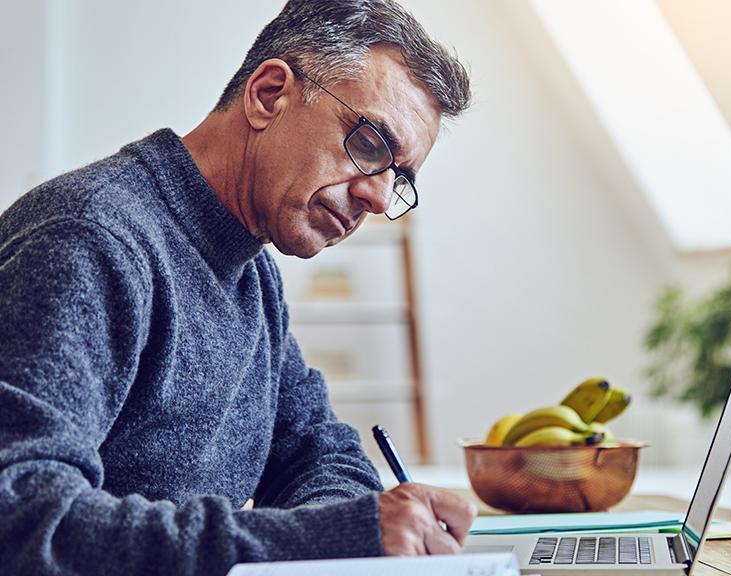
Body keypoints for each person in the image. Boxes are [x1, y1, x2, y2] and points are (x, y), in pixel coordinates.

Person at [0, 1, 476, 574]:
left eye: (398, 177)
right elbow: (22, 519)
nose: (378, 197)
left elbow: (319, 455)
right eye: (371, 145)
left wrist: (337, 537)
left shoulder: (252, 273)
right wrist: (317, 540)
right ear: (269, 93)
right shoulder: (91, 240)